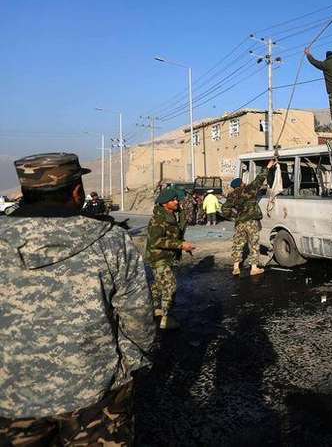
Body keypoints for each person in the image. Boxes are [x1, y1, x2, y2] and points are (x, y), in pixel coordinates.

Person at [0, 152, 155, 444]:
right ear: (76, 190)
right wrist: (130, 367)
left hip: (11, 397)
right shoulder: (111, 240)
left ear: (25, 191)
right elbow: (137, 315)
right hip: (96, 392)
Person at [146, 188, 196, 330]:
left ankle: (156, 310)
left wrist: (183, 245)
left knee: (158, 285)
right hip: (158, 257)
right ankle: (165, 319)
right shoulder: (158, 219)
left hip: (168, 256)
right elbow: (156, 241)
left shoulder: (172, 214)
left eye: (176, 199)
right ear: (164, 203)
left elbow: (177, 232)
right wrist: (180, 245)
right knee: (170, 286)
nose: (176, 202)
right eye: (173, 200)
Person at [222, 159, 275, 277]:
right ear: (241, 184)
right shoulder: (249, 189)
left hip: (239, 223)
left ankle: (236, 267)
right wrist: (268, 166)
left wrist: (235, 216)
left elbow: (225, 210)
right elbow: (259, 179)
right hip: (251, 222)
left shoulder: (231, 196)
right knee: (254, 244)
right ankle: (254, 268)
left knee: (238, 244)